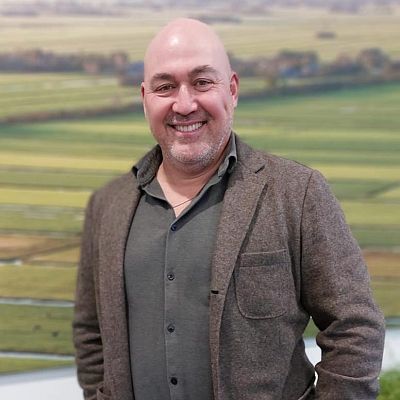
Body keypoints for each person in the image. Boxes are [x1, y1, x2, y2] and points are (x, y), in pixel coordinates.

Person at [73, 18, 385, 400]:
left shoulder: (297, 194)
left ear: (232, 89)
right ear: (145, 98)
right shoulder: (108, 205)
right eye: (165, 86)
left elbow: (355, 327)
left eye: (202, 82)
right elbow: (91, 332)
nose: (184, 104)